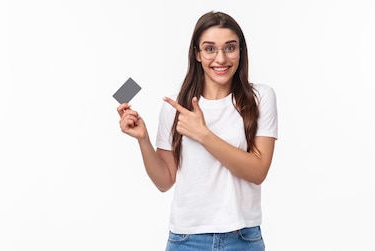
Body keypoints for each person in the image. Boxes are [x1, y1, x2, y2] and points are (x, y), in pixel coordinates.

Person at [116, 11, 278, 251]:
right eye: (210, 49)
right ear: (197, 54)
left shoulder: (260, 97)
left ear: (240, 52)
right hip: (186, 240)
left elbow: (257, 171)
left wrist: (203, 135)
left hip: (243, 238)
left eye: (230, 48)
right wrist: (144, 140)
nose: (221, 59)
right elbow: (164, 181)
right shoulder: (174, 106)